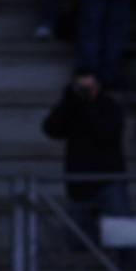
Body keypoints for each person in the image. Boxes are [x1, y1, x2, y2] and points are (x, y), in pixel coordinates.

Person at [41, 68, 126, 232]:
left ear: (98, 85)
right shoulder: (71, 107)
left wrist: (88, 107)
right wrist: (68, 101)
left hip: (109, 181)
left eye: (88, 87)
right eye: (81, 87)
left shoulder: (110, 106)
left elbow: (106, 133)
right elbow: (51, 129)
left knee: (121, 233)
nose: (85, 91)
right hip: (79, 184)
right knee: (78, 235)